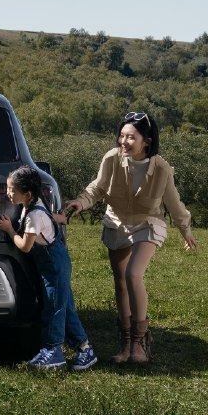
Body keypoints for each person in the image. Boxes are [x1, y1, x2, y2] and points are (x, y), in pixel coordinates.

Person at [61, 112, 197, 364]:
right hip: (117, 223)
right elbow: (97, 188)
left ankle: (140, 341)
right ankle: (125, 343)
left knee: (133, 274)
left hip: (148, 222)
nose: (123, 141)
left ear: (146, 140)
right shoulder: (112, 159)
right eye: (121, 136)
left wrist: (185, 229)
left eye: (130, 137)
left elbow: (173, 202)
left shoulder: (162, 168)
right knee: (121, 282)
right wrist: (80, 203)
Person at [0, 165, 97, 372]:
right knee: (65, 307)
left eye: (12, 190)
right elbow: (53, 218)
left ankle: (53, 351)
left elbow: (25, 246)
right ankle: (85, 350)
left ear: (28, 194)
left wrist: (9, 229)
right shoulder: (34, 204)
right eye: (8, 188)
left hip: (54, 266)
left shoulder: (34, 216)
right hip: (53, 264)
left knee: (54, 308)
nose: (8, 193)